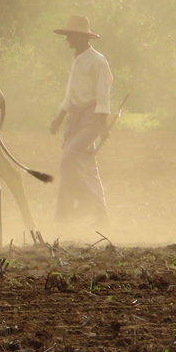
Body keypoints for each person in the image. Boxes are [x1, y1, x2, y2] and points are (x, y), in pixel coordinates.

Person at [49, 15, 113, 228]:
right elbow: (71, 94)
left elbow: (103, 95)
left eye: (70, 35)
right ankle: (101, 215)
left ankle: (84, 201)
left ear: (82, 37)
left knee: (68, 159)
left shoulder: (98, 60)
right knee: (88, 166)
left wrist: (103, 126)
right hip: (76, 118)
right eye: (67, 35)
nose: (67, 39)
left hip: (92, 119)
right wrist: (59, 117)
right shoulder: (77, 59)